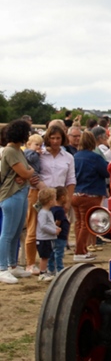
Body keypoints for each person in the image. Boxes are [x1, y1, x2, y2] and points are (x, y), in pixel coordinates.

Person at [24, 124, 75, 275]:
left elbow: (71, 179)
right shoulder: (39, 154)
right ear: (48, 138)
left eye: (58, 138)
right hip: (38, 194)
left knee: (56, 229)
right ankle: (30, 263)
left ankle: (52, 264)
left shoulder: (68, 157)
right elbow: (29, 170)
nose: (55, 141)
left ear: (62, 139)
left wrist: (68, 200)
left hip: (59, 197)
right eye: (52, 138)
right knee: (34, 228)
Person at [0, 120, 38, 283]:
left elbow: (26, 173)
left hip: (21, 193)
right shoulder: (10, 151)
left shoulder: (18, 150)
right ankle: (2, 268)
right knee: (7, 234)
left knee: (16, 232)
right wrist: (29, 172)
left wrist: (27, 173)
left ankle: (12, 265)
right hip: (11, 194)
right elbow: (26, 172)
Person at [71, 131, 109, 262]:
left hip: (75, 193)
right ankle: (80, 251)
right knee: (86, 224)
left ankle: (81, 249)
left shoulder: (75, 156)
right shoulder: (95, 157)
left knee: (78, 223)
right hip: (90, 194)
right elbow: (106, 172)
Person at [35, 187, 61, 282]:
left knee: (48, 255)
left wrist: (55, 227)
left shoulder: (48, 212)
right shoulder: (43, 213)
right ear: (50, 201)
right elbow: (43, 226)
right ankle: (42, 273)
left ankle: (46, 271)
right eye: (54, 199)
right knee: (44, 257)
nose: (55, 201)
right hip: (43, 239)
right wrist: (54, 231)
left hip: (48, 238)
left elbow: (49, 223)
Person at [49, 186, 70, 277]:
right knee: (59, 253)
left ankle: (51, 269)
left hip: (52, 236)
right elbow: (58, 222)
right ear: (62, 197)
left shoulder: (51, 209)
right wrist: (55, 229)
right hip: (60, 236)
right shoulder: (60, 211)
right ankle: (60, 270)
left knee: (52, 253)